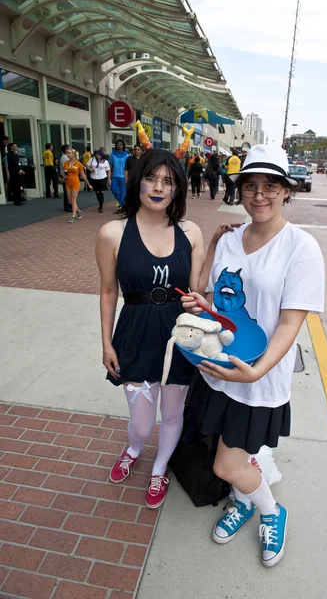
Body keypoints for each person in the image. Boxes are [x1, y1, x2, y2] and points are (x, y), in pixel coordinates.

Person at [181, 144, 325, 567]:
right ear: (239, 190)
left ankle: (270, 510)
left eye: (270, 186)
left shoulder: (301, 248)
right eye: (250, 186)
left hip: (256, 379)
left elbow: (288, 324)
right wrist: (201, 305)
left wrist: (256, 372)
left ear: (286, 191)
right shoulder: (229, 238)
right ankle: (246, 500)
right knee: (233, 453)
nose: (259, 194)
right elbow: (214, 300)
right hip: (215, 370)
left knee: (226, 466)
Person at [95, 149, 206, 509]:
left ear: (177, 190)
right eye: (151, 178)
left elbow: (196, 290)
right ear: (137, 180)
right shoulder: (113, 232)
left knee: (173, 414)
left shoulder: (189, 232)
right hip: (135, 334)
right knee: (142, 423)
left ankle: (160, 467)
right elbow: (109, 291)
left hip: (180, 337)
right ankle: (134, 448)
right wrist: (106, 343)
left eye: (168, 181)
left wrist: (198, 295)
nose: (159, 188)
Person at [63, 148, 92, 223]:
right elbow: (65, 173)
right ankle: (79, 211)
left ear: (74, 154)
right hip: (68, 183)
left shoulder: (79, 164)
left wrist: (88, 184)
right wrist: (63, 177)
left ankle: (73, 216)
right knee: (70, 201)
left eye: (69, 153)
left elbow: (83, 175)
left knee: (73, 199)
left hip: (75, 182)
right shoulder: (66, 163)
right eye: (67, 153)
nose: (68, 155)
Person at [109, 139, 130, 207]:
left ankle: (121, 205)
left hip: (123, 176)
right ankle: (121, 201)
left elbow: (128, 167)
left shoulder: (126, 155)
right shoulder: (113, 154)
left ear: (123, 145)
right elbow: (110, 166)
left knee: (122, 192)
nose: (119, 145)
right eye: (118, 144)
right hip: (114, 176)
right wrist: (109, 177)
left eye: (121, 144)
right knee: (113, 190)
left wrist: (128, 176)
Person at [59, 144, 71, 212]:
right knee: (67, 192)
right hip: (65, 177)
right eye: (69, 148)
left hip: (68, 176)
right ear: (66, 150)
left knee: (69, 191)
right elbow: (65, 168)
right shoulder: (64, 157)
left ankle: (69, 204)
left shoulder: (67, 157)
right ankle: (67, 206)